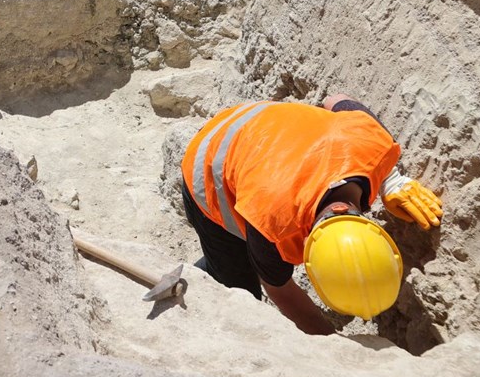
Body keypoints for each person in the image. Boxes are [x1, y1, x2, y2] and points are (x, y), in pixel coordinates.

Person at [180, 94, 442, 335]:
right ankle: (202, 276)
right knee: (240, 290)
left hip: (263, 128)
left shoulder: (374, 141)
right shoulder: (274, 227)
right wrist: (331, 344)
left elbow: (336, 99)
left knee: (255, 256)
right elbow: (280, 290)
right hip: (210, 156)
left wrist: (390, 178)